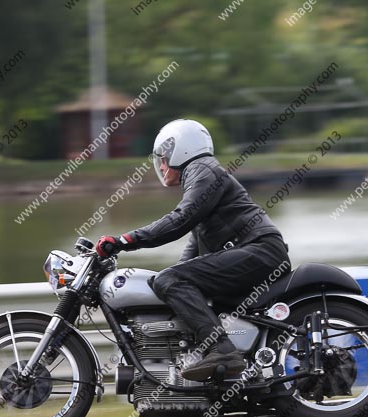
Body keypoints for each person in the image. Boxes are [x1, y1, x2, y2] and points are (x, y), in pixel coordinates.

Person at [96, 119, 290, 381]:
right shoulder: (201, 175)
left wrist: (125, 240)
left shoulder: (203, 169)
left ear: (182, 149)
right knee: (168, 279)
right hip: (255, 250)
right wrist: (167, 280)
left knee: (168, 279)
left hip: (258, 249)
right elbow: (192, 247)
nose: (162, 165)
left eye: (164, 158)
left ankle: (222, 350)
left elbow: (181, 218)